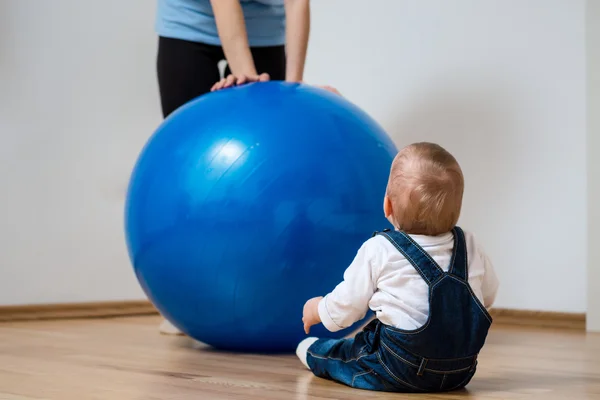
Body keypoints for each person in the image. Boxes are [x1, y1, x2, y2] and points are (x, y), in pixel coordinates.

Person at [297, 142, 499, 392]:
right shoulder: (469, 244)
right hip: (461, 371)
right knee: (380, 328)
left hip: (398, 368)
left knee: (344, 355)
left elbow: (346, 307)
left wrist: (318, 309)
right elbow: (487, 295)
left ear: (387, 206)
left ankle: (309, 351)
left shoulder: (380, 248)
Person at [156, 0, 310, 118]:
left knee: (262, 129)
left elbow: (296, 2)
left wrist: (293, 85)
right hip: (190, 17)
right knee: (187, 134)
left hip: (263, 24)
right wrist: (248, 82)